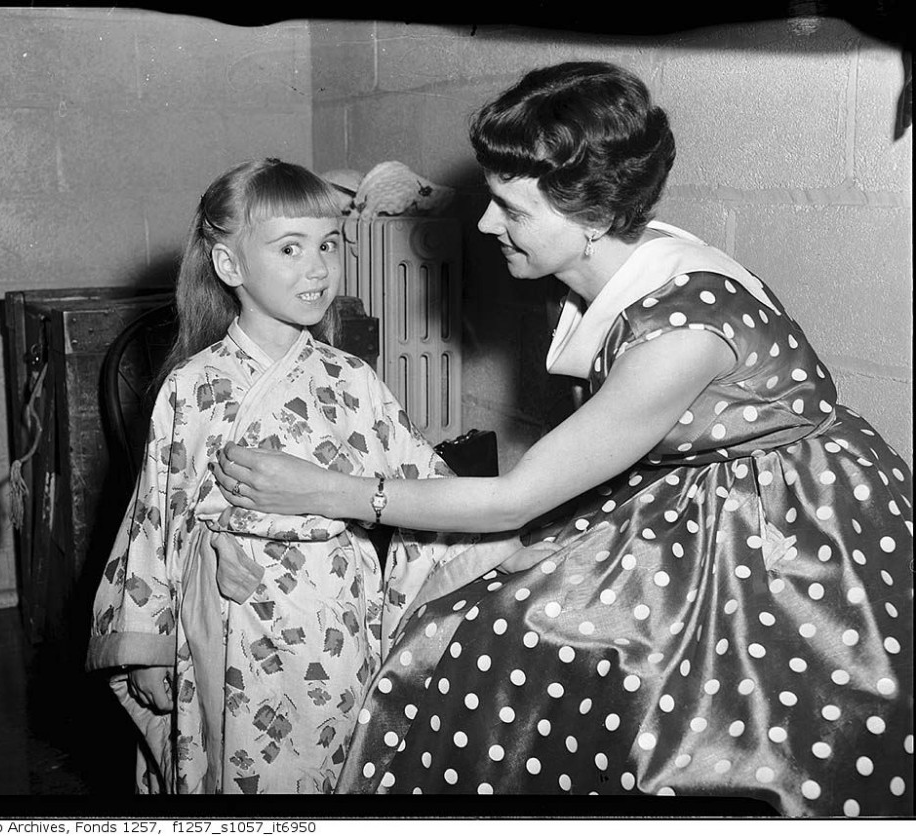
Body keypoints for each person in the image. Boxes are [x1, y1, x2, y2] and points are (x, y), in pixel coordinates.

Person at [212, 65, 914, 814]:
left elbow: (519, 496)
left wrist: (323, 490)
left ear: (589, 215)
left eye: (511, 209)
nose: (486, 225)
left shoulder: (680, 336)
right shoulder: (613, 264)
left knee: (503, 648)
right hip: (695, 490)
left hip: (791, 532)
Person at [86, 159, 514, 794]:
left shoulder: (353, 380)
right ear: (230, 267)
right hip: (231, 620)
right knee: (244, 767)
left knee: (340, 756)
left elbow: (423, 480)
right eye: (290, 248)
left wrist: (510, 537)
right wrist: (149, 643)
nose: (317, 268)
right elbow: (158, 513)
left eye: (327, 245)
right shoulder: (191, 387)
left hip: (339, 612)